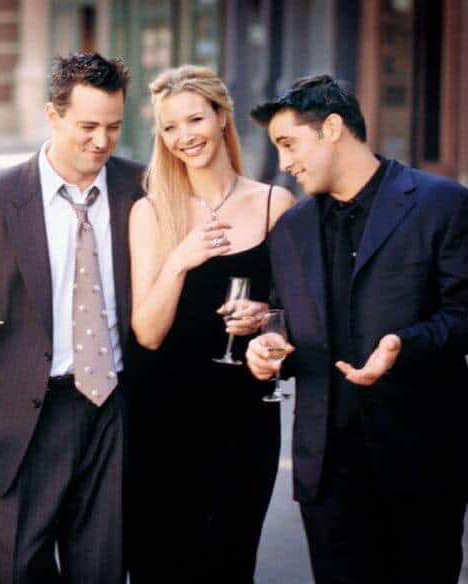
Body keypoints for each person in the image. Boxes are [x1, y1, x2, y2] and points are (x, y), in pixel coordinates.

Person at [246, 74, 468, 583]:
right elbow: (284, 322)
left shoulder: (441, 203)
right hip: (328, 474)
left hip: (422, 462)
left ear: (332, 128)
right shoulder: (291, 229)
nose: (283, 162)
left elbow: (464, 313)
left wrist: (402, 345)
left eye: (288, 144)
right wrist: (268, 346)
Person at [0, 52, 143, 582]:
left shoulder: (142, 187)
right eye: (88, 126)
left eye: (113, 127)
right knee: (15, 567)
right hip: (24, 417)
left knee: (103, 570)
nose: (101, 141)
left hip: (115, 410)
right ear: (52, 115)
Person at [126, 65, 295, 583]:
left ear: (222, 117)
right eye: (170, 127)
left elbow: (293, 319)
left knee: (230, 561)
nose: (184, 136)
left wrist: (266, 318)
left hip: (244, 418)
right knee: (163, 565)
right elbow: (147, 333)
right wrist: (180, 260)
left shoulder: (275, 204)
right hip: (164, 419)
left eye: (195, 119)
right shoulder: (151, 211)